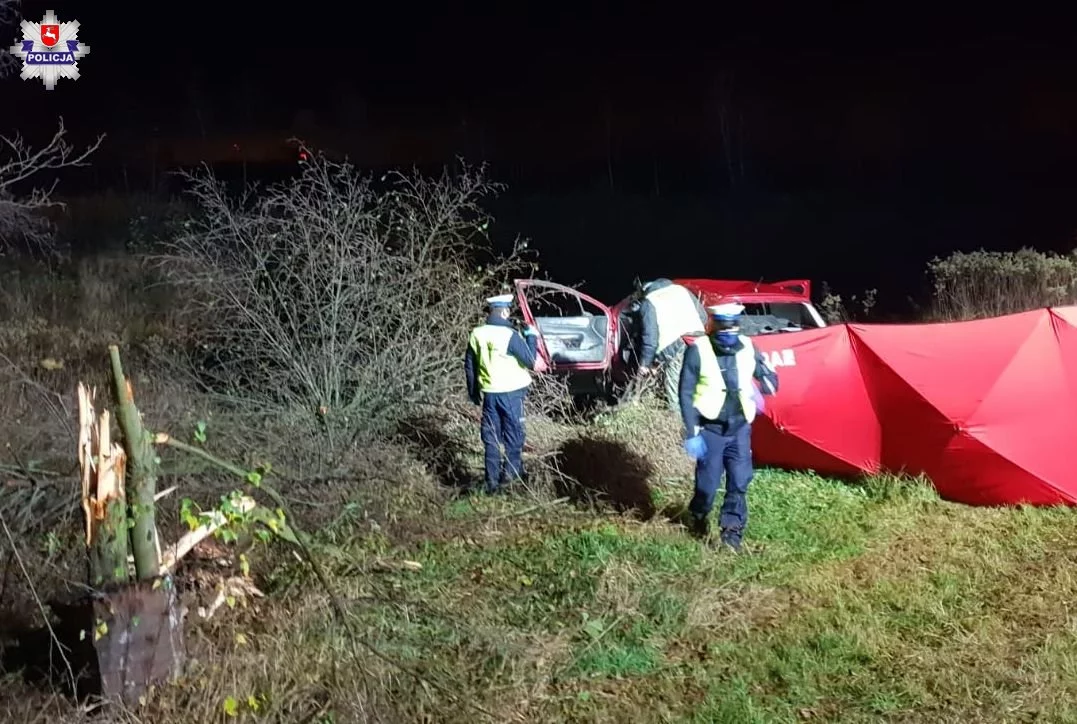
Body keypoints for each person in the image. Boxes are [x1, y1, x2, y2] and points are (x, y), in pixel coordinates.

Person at [678, 302, 779, 552]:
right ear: (713, 325)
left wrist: (766, 383)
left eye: (733, 325)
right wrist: (692, 432)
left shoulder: (747, 346)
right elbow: (686, 392)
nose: (728, 330)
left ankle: (731, 534)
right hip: (711, 430)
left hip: (739, 428)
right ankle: (698, 514)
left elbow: (767, 376)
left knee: (739, 481)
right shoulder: (697, 351)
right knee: (708, 485)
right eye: (723, 325)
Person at [464, 293, 543, 494]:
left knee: (491, 438)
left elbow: (470, 365)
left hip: (490, 394)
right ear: (505, 311)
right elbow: (531, 361)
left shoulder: (477, 333)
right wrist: (531, 336)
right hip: (512, 393)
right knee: (514, 435)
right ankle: (510, 476)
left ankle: (491, 484)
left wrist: (473, 392)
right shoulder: (509, 335)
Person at [634, 278, 708, 410]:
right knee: (700, 388)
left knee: (676, 395)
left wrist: (645, 364)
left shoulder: (649, 301)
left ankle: (680, 427)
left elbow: (650, 338)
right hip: (700, 342)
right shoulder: (681, 290)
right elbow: (703, 316)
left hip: (676, 350)